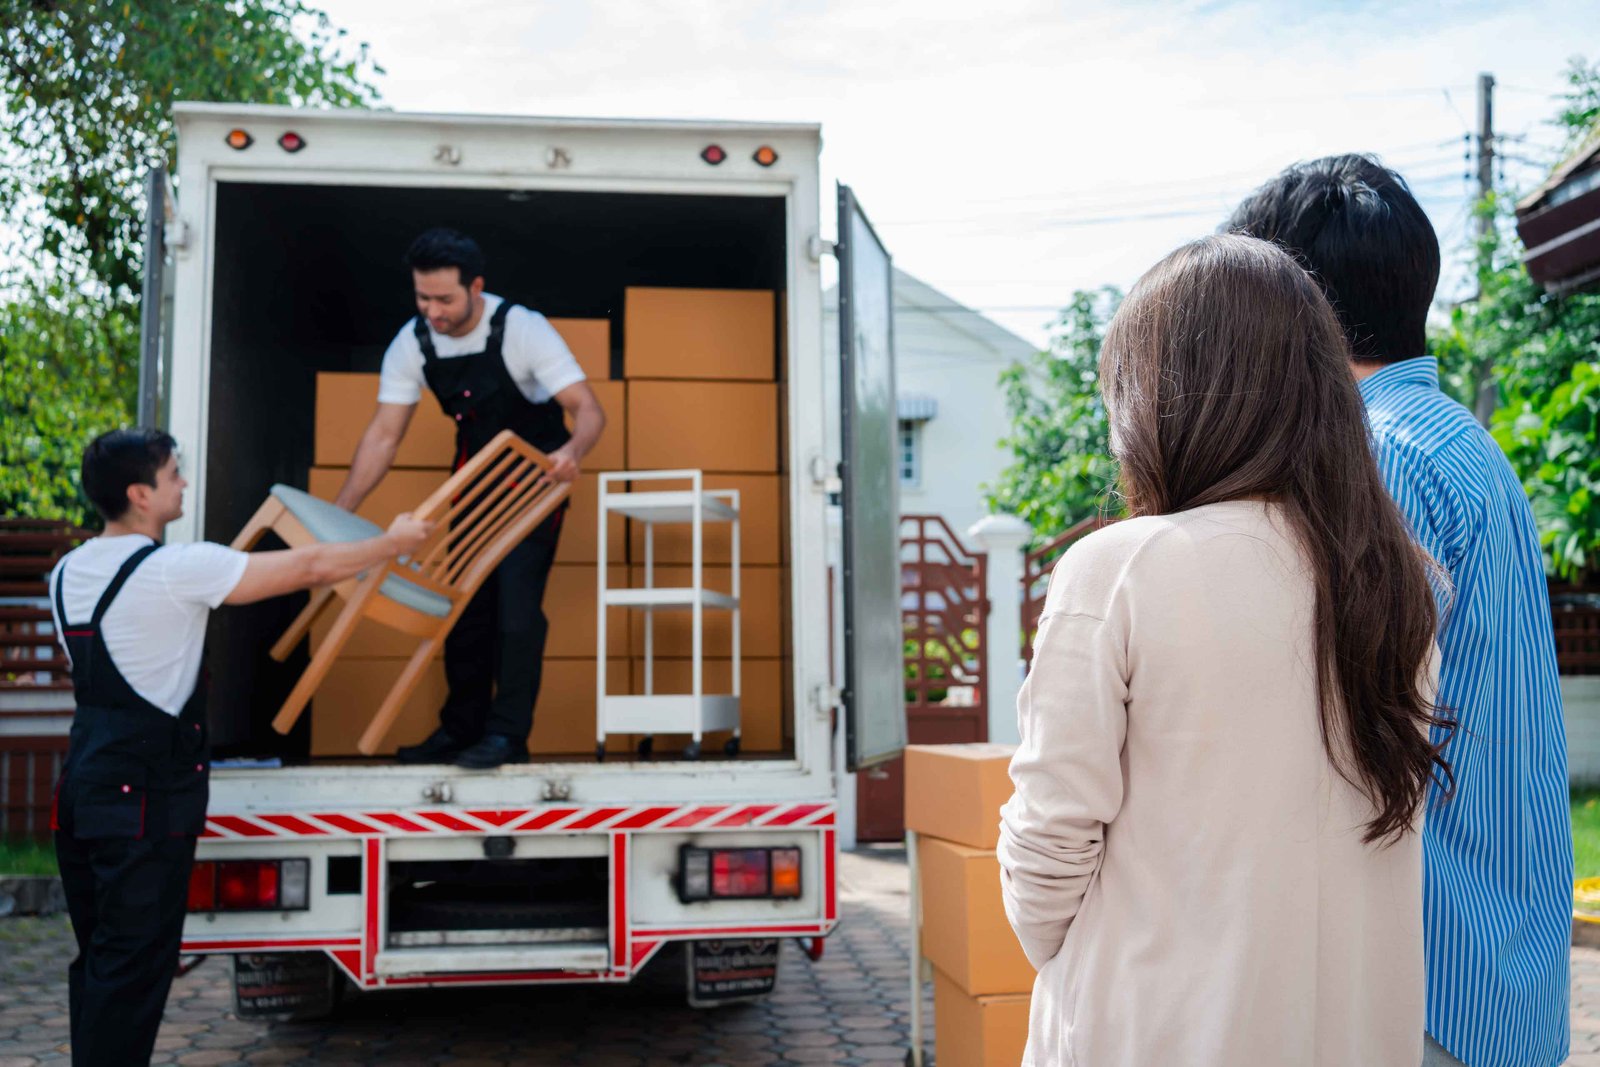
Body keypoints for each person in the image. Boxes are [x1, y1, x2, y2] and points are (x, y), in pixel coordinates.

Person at [998, 235, 1449, 1066]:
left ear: (1157, 400)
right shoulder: (1396, 581)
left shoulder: (1118, 569)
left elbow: (1046, 859)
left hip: (1157, 1031)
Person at [1229, 155, 1572, 1067]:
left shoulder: (1376, 461)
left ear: (1296, 305)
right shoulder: (1458, 440)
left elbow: (1344, 728)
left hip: (1425, 979)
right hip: (1493, 963)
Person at [50, 428, 430, 1067]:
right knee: (134, 968)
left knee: (104, 962)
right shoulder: (175, 568)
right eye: (175, 474)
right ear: (141, 494)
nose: (185, 484)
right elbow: (306, 566)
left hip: (83, 791)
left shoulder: (65, 572)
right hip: (143, 800)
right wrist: (392, 545)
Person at [334, 228, 607, 769]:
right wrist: (340, 510)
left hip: (534, 487)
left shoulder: (522, 329)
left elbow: (590, 409)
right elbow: (383, 436)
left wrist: (574, 451)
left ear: (476, 287)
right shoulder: (413, 341)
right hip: (471, 485)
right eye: (423, 298)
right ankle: (459, 730)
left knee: (516, 611)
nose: (433, 310)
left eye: (445, 299)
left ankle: (507, 735)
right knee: (461, 610)